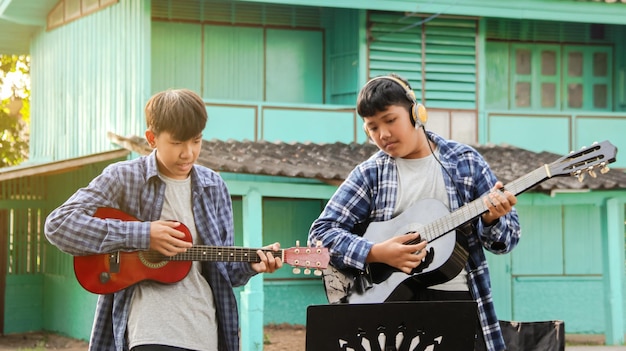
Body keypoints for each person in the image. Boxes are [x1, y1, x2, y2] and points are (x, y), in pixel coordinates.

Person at [45, 89, 283, 351]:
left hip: (204, 330)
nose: (188, 153)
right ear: (152, 139)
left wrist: (254, 265)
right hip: (149, 331)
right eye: (178, 143)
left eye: (196, 141)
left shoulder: (214, 186)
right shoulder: (124, 178)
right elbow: (59, 224)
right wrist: (143, 235)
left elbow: (222, 270)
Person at [308, 74, 521, 351]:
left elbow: (509, 239)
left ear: (416, 114)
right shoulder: (370, 174)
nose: (382, 134)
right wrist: (376, 252)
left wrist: (492, 219)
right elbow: (320, 235)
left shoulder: (465, 162)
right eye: (372, 127)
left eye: (390, 120)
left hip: (457, 304)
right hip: (388, 314)